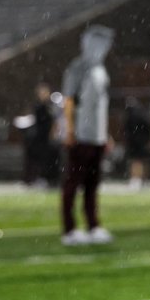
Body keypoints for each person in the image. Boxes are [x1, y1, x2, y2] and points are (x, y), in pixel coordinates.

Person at [60, 24, 115, 246]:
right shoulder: (78, 67)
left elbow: (101, 106)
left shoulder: (100, 69)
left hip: (96, 136)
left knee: (92, 185)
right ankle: (70, 229)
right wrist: (70, 129)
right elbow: (69, 100)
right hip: (81, 135)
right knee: (73, 183)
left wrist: (106, 133)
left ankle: (93, 225)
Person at [22, 83, 59, 188]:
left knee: (48, 158)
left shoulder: (50, 106)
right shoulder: (37, 106)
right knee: (37, 158)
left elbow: (54, 121)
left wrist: (53, 133)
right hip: (39, 136)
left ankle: (49, 179)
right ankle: (36, 178)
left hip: (47, 136)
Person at [121, 96, 150, 190]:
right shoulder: (143, 113)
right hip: (142, 141)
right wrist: (147, 138)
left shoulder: (131, 115)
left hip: (134, 142)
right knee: (142, 161)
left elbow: (127, 129)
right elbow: (148, 127)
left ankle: (136, 179)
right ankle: (143, 179)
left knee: (135, 161)